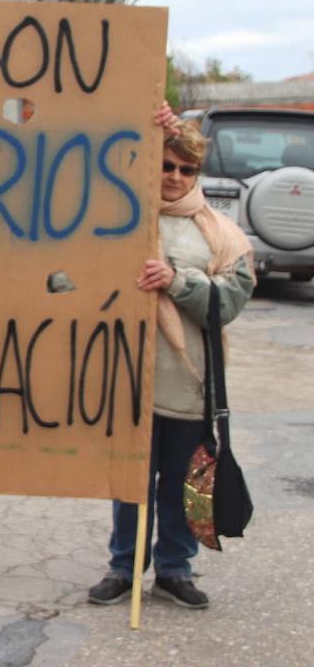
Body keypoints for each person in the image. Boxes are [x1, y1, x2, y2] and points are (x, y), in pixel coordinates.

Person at [88, 113, 255, 609]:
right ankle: (124, 567)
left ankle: (175, 570)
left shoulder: (221, 235)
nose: (174, 177)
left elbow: (229, 302)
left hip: (190, 383)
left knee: (184, 485)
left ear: (197, 174)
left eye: (186, 169)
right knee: (131, 483)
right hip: (129, 380)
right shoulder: (123, 214)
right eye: (165, 165)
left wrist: (177, 280)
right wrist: (154, 111)